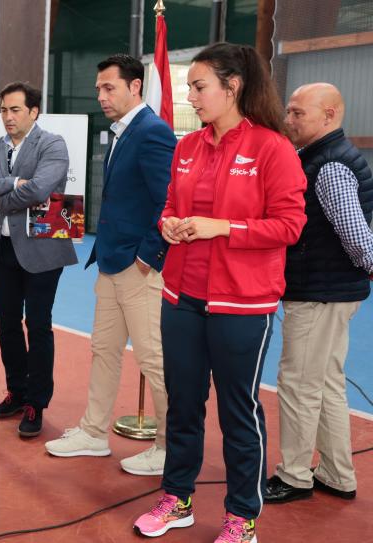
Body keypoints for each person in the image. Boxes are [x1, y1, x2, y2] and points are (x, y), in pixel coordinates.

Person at [132, 43, 306, 543]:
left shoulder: (271, 148)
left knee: (237, 410)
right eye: (189, 86)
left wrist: (221, 228)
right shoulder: (187, 147)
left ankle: (241, 517)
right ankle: (177, 499)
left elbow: (290, 225)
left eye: (199, 86)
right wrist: (169, 226)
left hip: (241, 303)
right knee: (183, 403)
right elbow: (169, 204)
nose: (191, 95)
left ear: (233, 87)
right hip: (183, 296)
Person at [44, 54, 176, 475]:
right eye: (99, 88)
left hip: (138, 268)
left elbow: (169, 200)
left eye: (108, 87)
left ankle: (170, 446)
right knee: (103, 351)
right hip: (111, 264)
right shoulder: (123, 132)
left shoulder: (153, 132)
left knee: (154, 359)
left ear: (135, 87)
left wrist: (147, 257)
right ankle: (94, 433)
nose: (100, 96)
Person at [264, 83, 372, 505]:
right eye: (288, 112)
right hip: (329, 290)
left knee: (298, 385)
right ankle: (336, 473)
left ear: (329, 116)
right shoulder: (321, 158)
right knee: (325, 383)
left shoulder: (328, 166)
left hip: (320, 293)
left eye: (297, 113)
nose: (289, 120)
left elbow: (358, 237)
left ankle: (293, 475)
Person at [0, 81, 77, 437]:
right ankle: (16, 391)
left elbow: (41, 189)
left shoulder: (53, 144)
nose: (8, 117)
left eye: (15, 110)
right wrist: (13, 185)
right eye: (3, 110)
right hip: (1, 249)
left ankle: (36, 402)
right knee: (7, 325)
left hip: (44, 249)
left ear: (33, 112)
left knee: (39, 325)